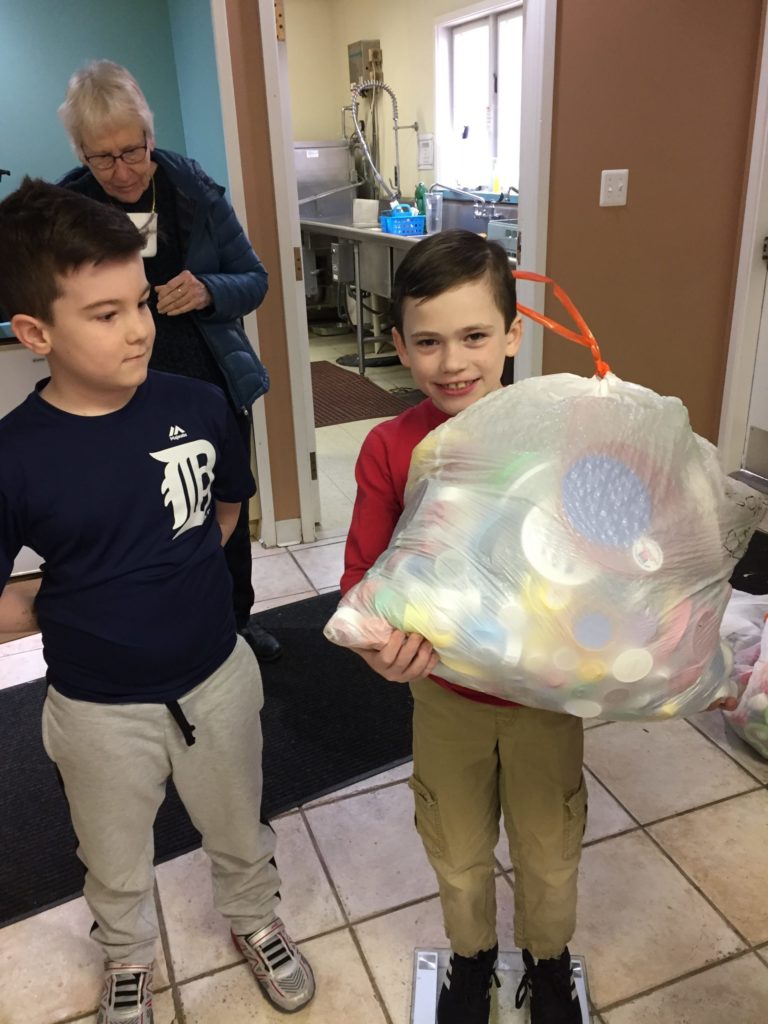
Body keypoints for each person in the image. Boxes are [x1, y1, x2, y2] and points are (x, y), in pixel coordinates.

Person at [0, 179, 314, 1024]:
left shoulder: (200, 403)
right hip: (99, 710)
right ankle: (129, 958)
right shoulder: (15, 457)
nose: (139, 327)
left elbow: (227, 507)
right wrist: (74, 601)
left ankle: (253, 919)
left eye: (140, 300)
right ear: (36, 333)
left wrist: (165, 573)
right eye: (105, 314)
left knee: (239, 824)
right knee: (113, 855)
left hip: (217, 676)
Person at [340, 230, 585, 1024]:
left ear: (514, 336)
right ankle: (473, 958)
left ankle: (549, 964)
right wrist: (379, 651)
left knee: (550, 856)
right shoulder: (390, 449)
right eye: (429, 341)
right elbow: (361, 581)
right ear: (401, 348)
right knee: (457, 851)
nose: (454, 361)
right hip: (444, 695)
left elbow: (608, 567)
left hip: (545, 697)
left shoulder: (563, 436)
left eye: (476, 336)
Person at [56, 59, 281, 664]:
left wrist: (209, 289)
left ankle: (236, 627)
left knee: (225, 509)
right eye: (104, 158)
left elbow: (254, 280)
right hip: (118, 396)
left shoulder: (194, 191)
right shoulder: (67, 207)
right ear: (81, 151)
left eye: (135, 150)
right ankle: (159, 637)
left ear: (151, 136)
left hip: (209, 383)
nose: (124, 171)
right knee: (147, 523)